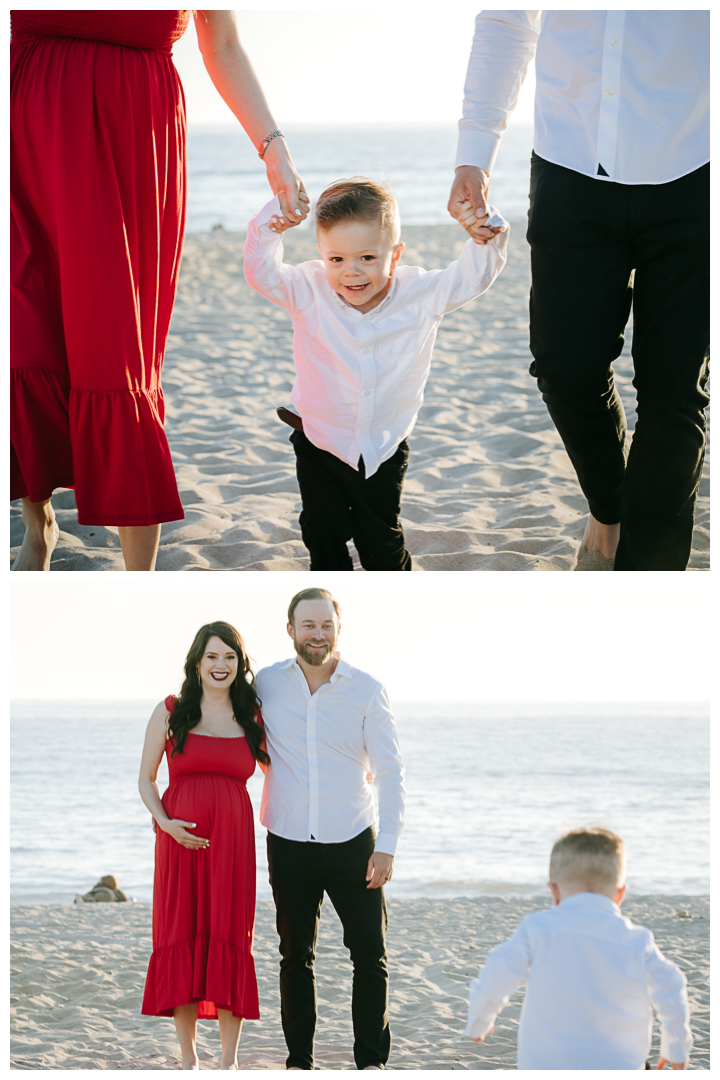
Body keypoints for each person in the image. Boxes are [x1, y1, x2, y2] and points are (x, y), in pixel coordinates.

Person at [11, 10, 309, 571]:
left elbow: (221, 45)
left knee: (115, 347)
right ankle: (37, 524)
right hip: (24, 131)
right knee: (28, 328)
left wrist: (275, 152)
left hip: (131, 137)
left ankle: (138, 576)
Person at [448, 11, 710, 571]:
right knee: (565, 368)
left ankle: (643, 589)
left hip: (696, 163)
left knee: (674, 393)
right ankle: (611, 507)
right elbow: (507, 21)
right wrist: (474, 153)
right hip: (570, 160)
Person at [243, 177, 508, 570]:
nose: (352, 273)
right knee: (321, 530)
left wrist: (485, 234)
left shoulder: (420, 294)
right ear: (321, 254)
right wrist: (271, 225)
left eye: (367, 258)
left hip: (382, 446)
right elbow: (260, 271)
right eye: (337, 259)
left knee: (379, 537)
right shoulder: (306, 288)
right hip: (319, 440)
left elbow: (470, 278)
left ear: (394, 255)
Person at [256, 587, 405, 1069]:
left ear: (338, 631)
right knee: (295, 956)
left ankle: (371, 1063)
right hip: (288, 840)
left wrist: (387, 847)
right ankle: (299, 1061)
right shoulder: (266, 686)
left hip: (354, 843)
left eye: (326, 626)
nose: (317, 634)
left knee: (370, 956)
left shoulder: (366, 688)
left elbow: (391, 772)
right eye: (308, 625)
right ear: (290, 630)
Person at [139, 621, 269, 1071]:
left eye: (230, 657)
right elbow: (146, 780)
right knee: (183, 937)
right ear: (197, 662)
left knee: (231, 938)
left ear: (240, 664)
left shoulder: (253, 715)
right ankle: (189, 1058)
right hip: (179, 844)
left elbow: (284, 773)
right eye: (212, 656)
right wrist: (165, 824)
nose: (221, 665)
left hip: (233, 848)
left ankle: (229, 1061)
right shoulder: (172, 710)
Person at [466, 828, 693, 1070]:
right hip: (619, 1066)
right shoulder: (637, 941)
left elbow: (501, 965)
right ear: (620, 894)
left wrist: (480, 1019)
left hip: (545, 1064)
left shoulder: (536, 929)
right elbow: (671, 985)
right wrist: (675, 1046)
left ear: (553, 892)